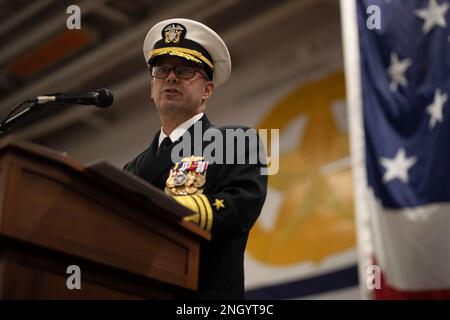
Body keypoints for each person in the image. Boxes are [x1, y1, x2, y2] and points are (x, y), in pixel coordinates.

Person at [123, 18, 267, 300]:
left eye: (185, 70)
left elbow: (242, 207)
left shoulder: (235, 141)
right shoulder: (131, 168)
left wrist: (173, 208)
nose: (171, 78)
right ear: (152, 88)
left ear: (207, 90)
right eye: (161, 70)